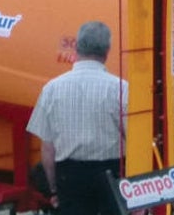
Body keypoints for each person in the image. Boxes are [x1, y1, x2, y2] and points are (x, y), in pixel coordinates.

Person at [27, 21, 127, 215]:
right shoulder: (121, 88)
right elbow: (132, 140)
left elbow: (47, 149)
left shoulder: (51, 89)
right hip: (111, 175)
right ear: (107, 51)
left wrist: (54, 189)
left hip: (69, 176)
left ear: (77, 46)